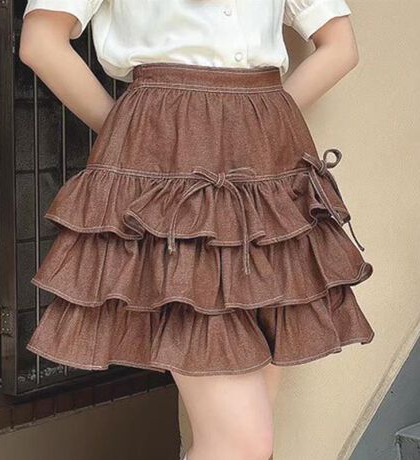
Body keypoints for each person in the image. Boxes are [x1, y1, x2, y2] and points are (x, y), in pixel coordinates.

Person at [19, 2, 375, 459]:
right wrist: (131, 133)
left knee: (249, 434)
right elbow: (41, 40)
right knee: (243, 443)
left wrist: (264, 116)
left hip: (266, 168)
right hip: (175, 155)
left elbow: (340, 45)